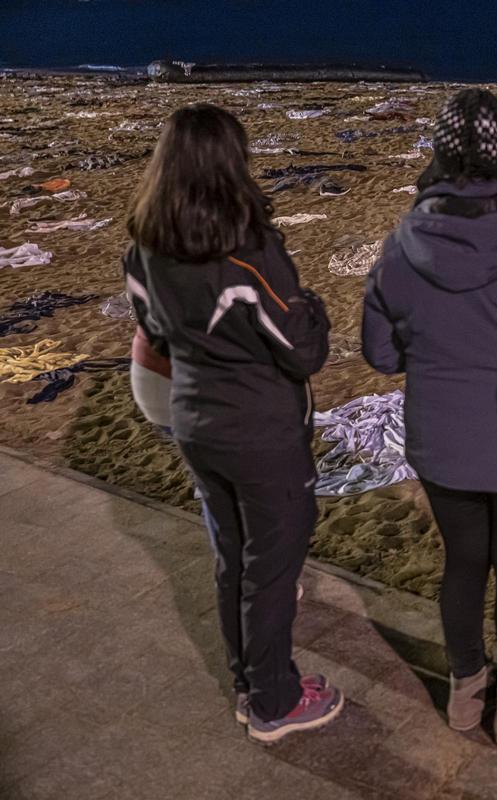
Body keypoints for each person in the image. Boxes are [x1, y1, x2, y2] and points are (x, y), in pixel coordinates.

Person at [361, 88, 497, 747]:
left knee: (461, 563)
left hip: (442, 443)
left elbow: (379, 353)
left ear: (440, 152)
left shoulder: (403, 245)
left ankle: (464, 694)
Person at [122, 102, 339, 743]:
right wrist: (315, 310)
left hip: (194, 420)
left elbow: (154, 329)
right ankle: (274, 700)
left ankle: (250, 682)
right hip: (261, 430)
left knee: (233, 558)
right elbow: (302, 349)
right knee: (272, 565)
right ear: (231, 164)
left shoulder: (144, 246)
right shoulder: (247, 251)